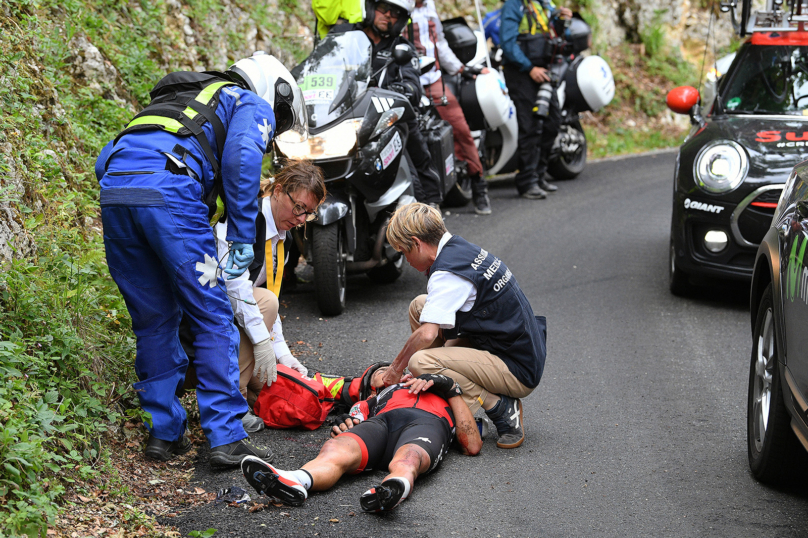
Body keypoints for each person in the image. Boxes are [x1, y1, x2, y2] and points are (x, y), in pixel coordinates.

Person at [96, 51, 308, 469]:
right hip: (171, 194)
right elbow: (243, 159)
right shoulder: (247, 101)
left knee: (154, 320)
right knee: (211, 314)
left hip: (115, 196)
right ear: (274, 89)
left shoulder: (169, 104)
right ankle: (226, 437)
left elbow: (106, 158)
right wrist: (243, 233)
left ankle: (164, 433)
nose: (274, 126)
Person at [381, 203, 546, 449]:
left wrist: (395, 369)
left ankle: (500, 406)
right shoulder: (458, 248)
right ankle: (446, 393)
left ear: (417, 243)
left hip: (517, 368)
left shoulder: (447, 273)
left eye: (404, 252)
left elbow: (426, 335)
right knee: (419, 306)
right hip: (512, 344)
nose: (406, 260)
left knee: (420, 362)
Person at [183, 160, 326, 433]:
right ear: (278, 190)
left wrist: (284, 356)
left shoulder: (280, 234)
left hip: (229, 321)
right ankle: (229, 402)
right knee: (261, 305)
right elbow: (237, 289)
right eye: (298, 208)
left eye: (308, 214)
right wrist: (262, 342)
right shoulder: (245, 219)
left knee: (276, 388)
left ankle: (244, 390)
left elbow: (269, 296)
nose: (300, 219)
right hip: (200, 322)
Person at [241, 365, 482, 511]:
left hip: (427, 422)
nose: (387, 374)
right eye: (379, 373)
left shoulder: (439, 390)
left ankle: (394, 487)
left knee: (408, 458)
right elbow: (353, 420)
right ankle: (297, 480)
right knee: (336, 448)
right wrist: (345, 426)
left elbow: (472, 444)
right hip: (382, 423)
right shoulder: (371, 401)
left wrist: (451, 388)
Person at [330, 0, 445, 207]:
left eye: (396, 13)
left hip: (387, 117)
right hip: (343, 115)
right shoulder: (343, 35)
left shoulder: (401, 47)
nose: (388, 15)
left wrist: (406, 89)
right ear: (372, 8)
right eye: (384, 8)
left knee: (414, 150)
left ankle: (428, 205)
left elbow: (413, 83)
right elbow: (319, 65)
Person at [410, 0, 493, 215]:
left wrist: (460, 69)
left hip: (435, 79)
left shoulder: (429, 7)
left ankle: (478, 186)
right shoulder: (398, 7)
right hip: (409, 83)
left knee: (461, 130)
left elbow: (440, 44)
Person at [500, 0, 572, 199]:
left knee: (552, 123)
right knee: (531, 127)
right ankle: (527, 181)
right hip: (522, 74)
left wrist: (562, 21)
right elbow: (507, 43)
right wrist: (529, 68)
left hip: (544, 72)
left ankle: (539, 175)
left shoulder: (544, 5)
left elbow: (559, 37)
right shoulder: (514, 5)